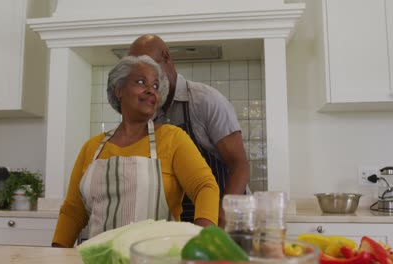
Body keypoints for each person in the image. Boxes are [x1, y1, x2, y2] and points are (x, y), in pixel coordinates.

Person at [52, 55, 219, 248]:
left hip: (157, 258)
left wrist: (204, 242)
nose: (150, 90)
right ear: (119, 89)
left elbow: (205, 187)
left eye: (156, 86)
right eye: (141, 82)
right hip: (101, 258)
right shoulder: (92, 147)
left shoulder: (173, 138)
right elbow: (73, 210)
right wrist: (56, 253)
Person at [129, 34, 250, 227]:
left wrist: (221, 214)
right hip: (178, 222)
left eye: (151, 69)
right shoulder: (146, 113)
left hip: (221, 218)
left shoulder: (205, 101)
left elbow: (240, 164)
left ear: (167, 57)